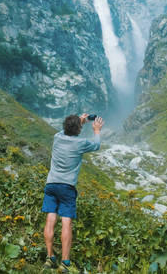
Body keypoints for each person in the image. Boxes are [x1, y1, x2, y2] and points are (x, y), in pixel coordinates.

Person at [42, 113, 104, 273]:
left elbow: (67, 131)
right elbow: (97, 145)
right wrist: (96, 129)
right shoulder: (81, 143)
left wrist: (78, 121)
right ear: (78, 129)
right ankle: (65, 262)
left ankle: (50, 258)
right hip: (67, 187)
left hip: (51, 184)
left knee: (50, 218)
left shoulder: (57, 137)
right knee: (66, 222)